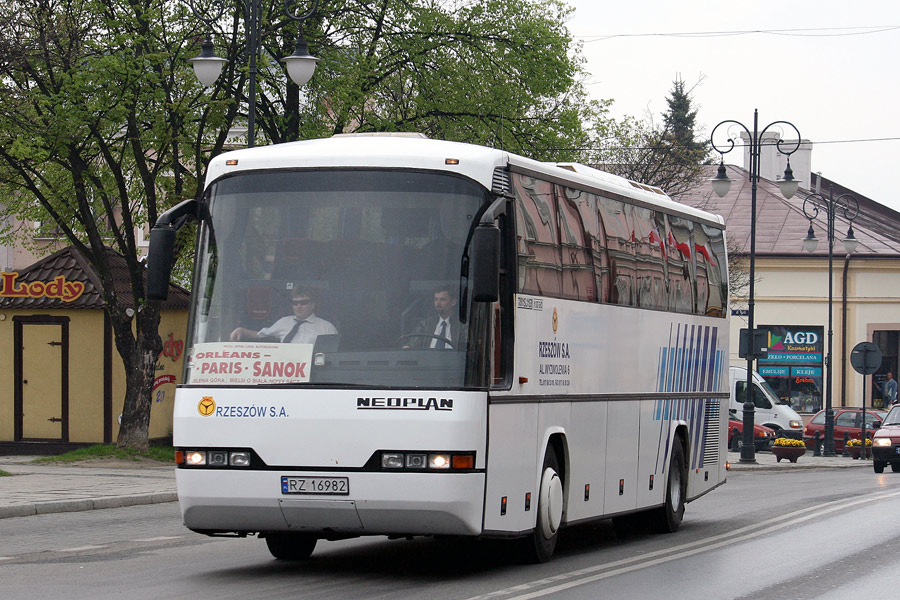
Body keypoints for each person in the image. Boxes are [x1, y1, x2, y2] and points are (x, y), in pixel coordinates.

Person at [231, 286, 337, 344]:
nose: (299, 306)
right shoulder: (284, 322)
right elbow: (262, 334)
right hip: (286, 371)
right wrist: (242, 331)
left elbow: (332, 355)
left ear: (312, 304)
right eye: (295, 303)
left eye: (303, 302)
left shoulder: (326, 327)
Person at [404, 285, 466, 349]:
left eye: (442, 300)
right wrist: (407, 348)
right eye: (436, 299)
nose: (438, 304)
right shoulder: (425, 324)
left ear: (453, 302)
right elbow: (412, 345)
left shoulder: (462, 326)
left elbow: (466, 349)